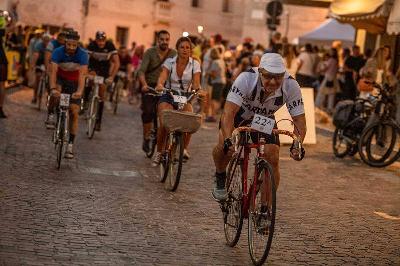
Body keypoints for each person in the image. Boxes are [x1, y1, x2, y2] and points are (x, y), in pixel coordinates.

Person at [212, 53, 306, 201]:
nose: (273, 81)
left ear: (284, 74)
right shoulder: (246, 78)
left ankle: (264, 209)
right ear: (260, 72)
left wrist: (297, 144)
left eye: (278, 77)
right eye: (268, 76)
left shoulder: (291, 85)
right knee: (225, 148)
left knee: (273, 156)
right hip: (240, 115)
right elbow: (229, 112)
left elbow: (299, 120)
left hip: (264, 119)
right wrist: (229, 139)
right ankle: (220, 175)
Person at [152, 37, 201, 166]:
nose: (185, 50)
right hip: (169, 94)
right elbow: (163, 75)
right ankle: (159, 152)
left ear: (190, 50)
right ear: (177, 49)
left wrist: (197, 90)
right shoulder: (170, 62)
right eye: (182, 47)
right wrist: (160, 84)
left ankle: (183, 149)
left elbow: (196, 82)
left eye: (187, 47)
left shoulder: (195, 64)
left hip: (185, 96)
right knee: (164, 120)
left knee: (190, 120)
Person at [47, 30, 88, 158]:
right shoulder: (58, 52)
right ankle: (52, 113)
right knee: (56, 95)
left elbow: (83, 74)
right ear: (65, 43)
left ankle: (70, 145)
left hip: (74, 82)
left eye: (74, 45)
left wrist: (80, 91)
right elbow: (53, 71)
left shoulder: (83, 54)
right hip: (60, 79)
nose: (71, 48)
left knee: (74, 112)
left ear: (77, 44)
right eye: (69, 45)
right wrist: (53, 88)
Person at [137, 30, 176, 154]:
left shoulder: (174, 54)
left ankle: (166, 141)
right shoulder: (150, 52)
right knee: (148, 112)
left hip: (166, 87)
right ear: (157, 40)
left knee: (168, 114)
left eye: (167, 39)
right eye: (162, 39)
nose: (164, 42)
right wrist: (144, 85)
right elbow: (141, 71)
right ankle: (146, 137)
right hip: (150, 86)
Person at [87, 31, 120, 130]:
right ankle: (85, 99)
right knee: (90, 80)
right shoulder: (91, 45)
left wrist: (112, 77)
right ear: (96, 40)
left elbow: (116, 63)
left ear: (106, 40)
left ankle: (98, 121)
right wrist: (85, 74)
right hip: (92, 67)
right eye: (99, 40)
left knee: (102, 94)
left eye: (103, 41)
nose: (101, 43)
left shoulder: (110, 45)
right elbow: (85, 59)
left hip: (104, 70)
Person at [315, 48, 339, 114]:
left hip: (328, 78)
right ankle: (330, 108)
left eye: (331, 51)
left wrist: (319, 71)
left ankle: (318, 106)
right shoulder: (336, 60)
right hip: (334, 78)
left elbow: (325, 68)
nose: (330, 52)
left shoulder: (331, 60)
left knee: (321, 92)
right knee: (331, 94)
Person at [206, 48, 226, 122]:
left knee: (214, 99)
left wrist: (208, 73)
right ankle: (214, 115)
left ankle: (213, 116)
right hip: (222, 81)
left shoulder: (215, 62)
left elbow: (214, 74)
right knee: (218, 99)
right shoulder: (221, 61)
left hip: (216, 82)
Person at [30, 33, 51, 104]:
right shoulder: (38, 45)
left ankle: (49, 98)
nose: (46, 42)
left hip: (48, 62)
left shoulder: (51, 46)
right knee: (38, 78)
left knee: (49, 81)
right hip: (40, 61)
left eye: (48, 40)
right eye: (45, 40)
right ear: (42, 40)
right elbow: (35, 55)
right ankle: (35, 96)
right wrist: (33, 65)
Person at [0, 10, 10, 118]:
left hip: (2, 60)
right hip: (1, 60)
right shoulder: (1, 31)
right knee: (2, 85)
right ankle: (0, 108)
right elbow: (12, 26)